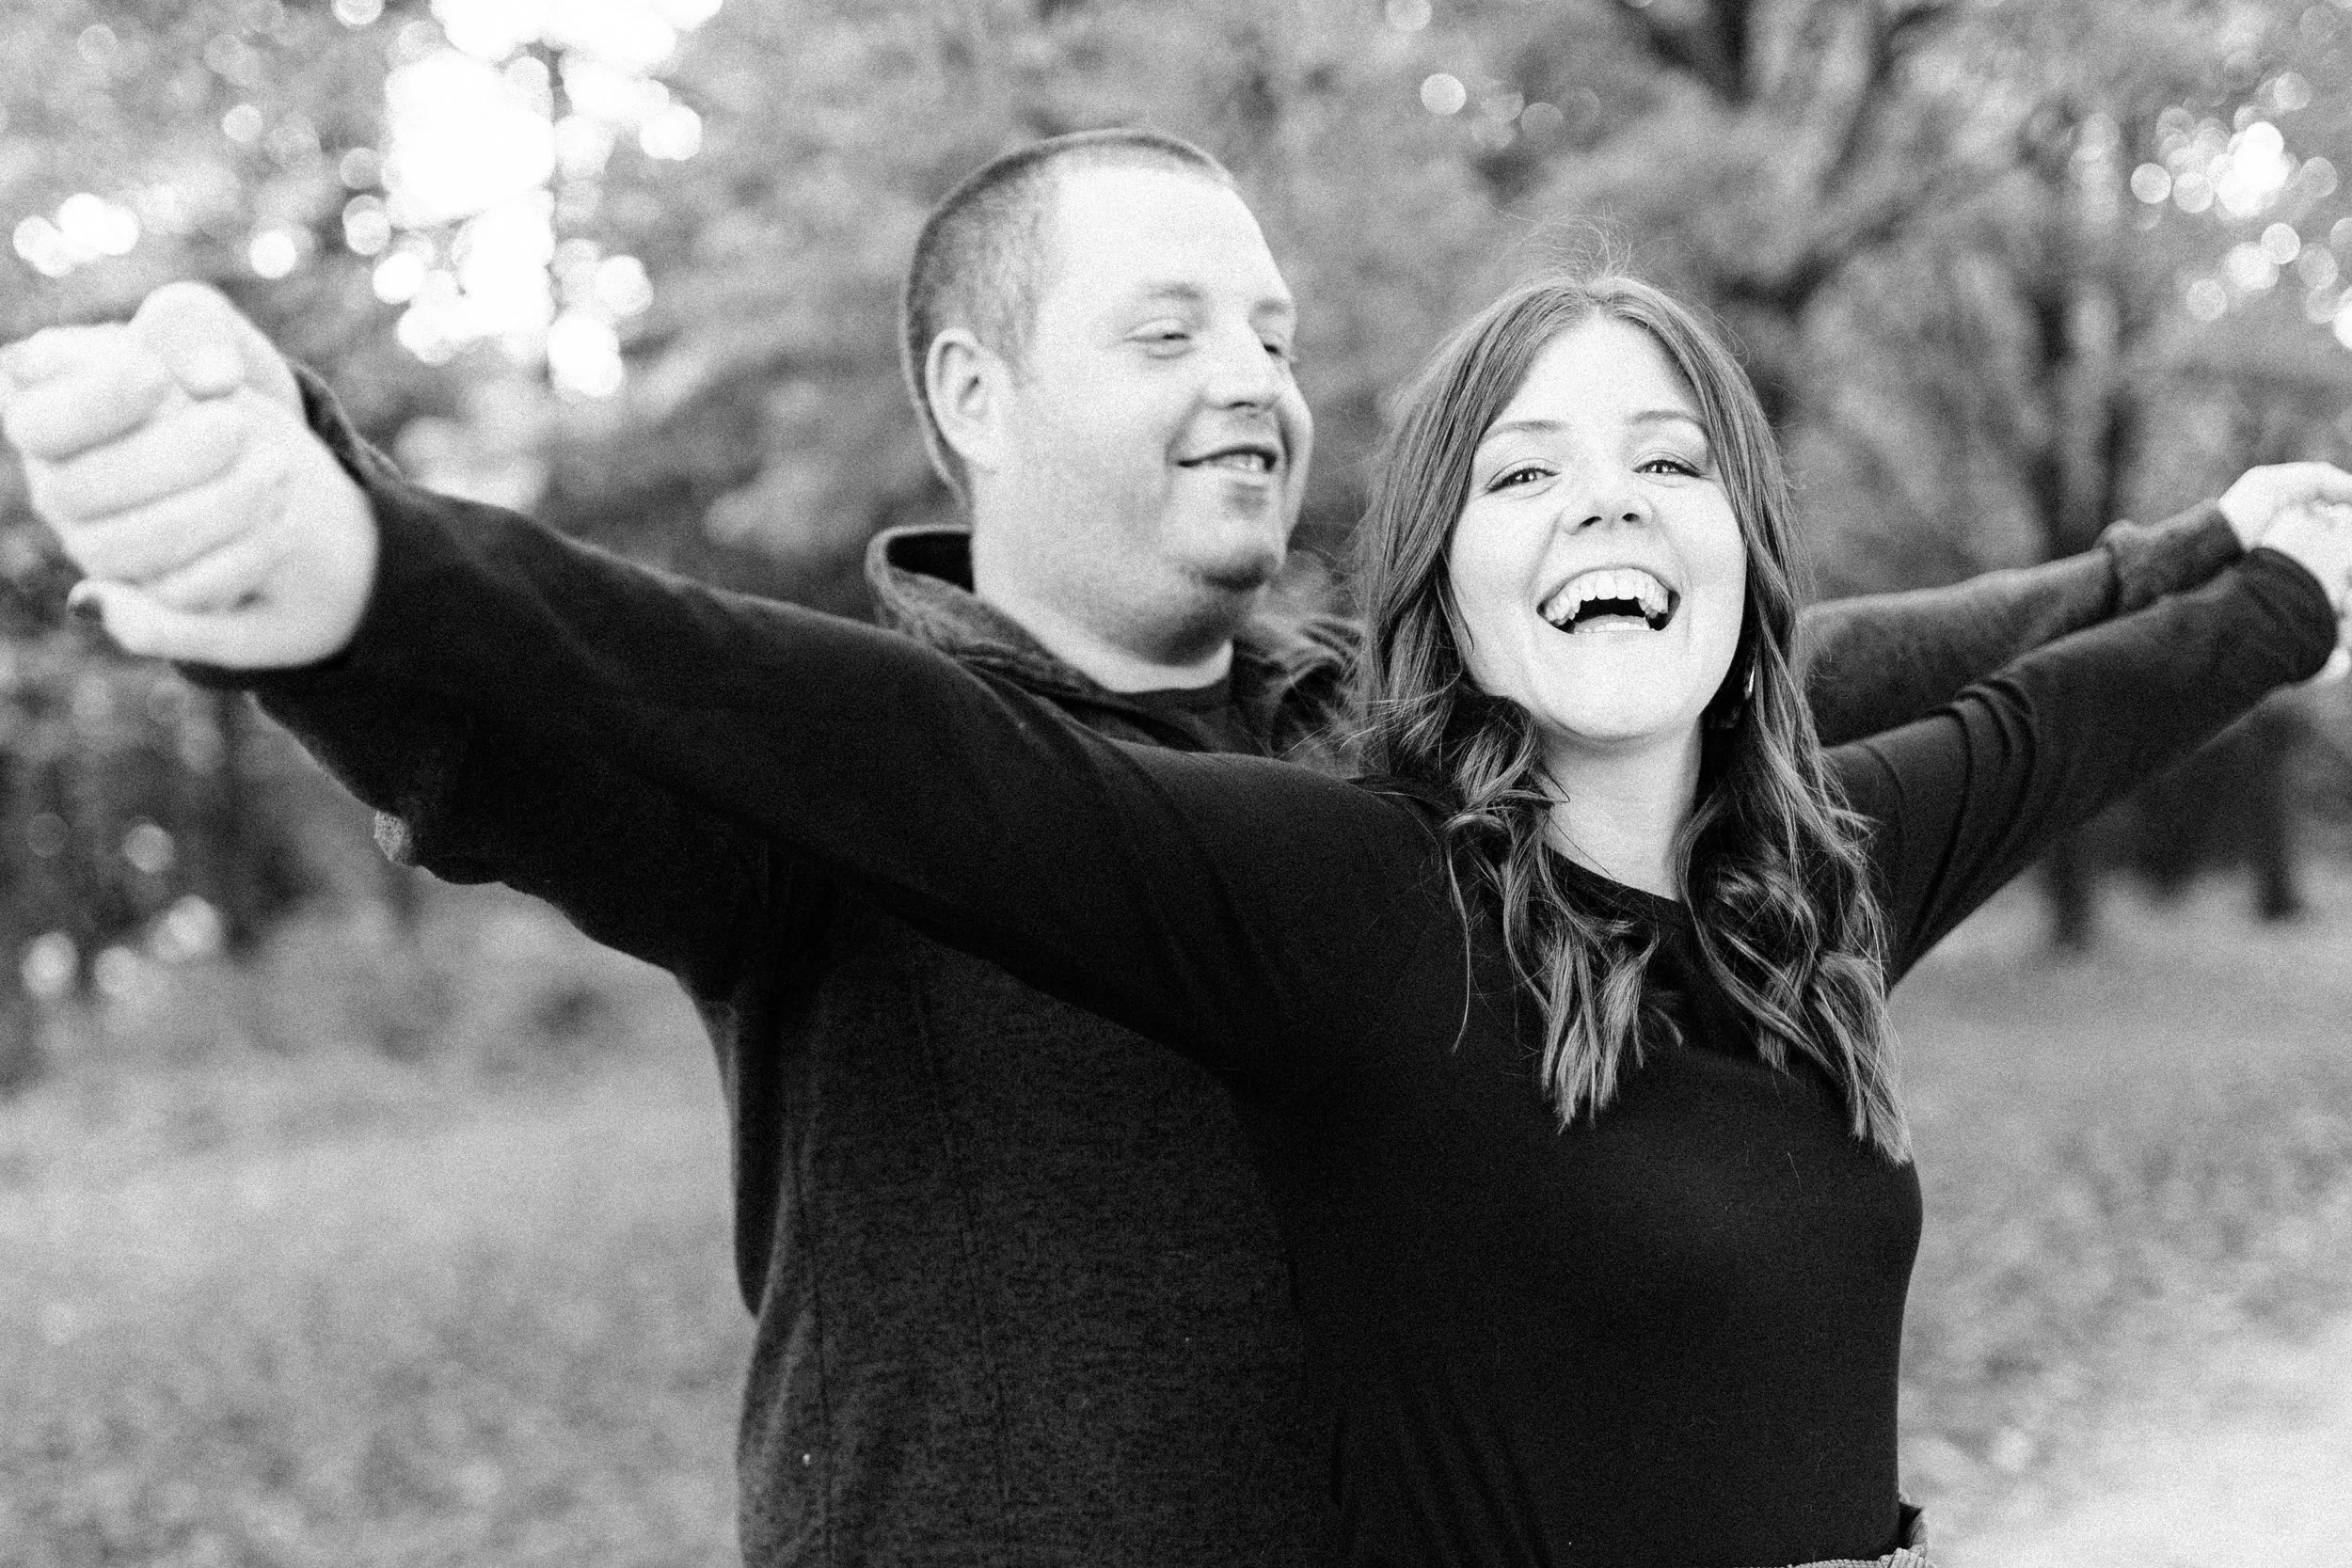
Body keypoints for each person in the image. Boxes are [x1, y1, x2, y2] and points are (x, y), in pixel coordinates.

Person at [6, 167, 2348, 1562]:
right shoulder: (840, 782)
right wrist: (335, 565)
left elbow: (1785, 670)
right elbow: (607, 691)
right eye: (1165, 326)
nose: (1256, 371)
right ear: (973, 395)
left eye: (1275, 325)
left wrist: (2194, 560)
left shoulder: (1394, 760)